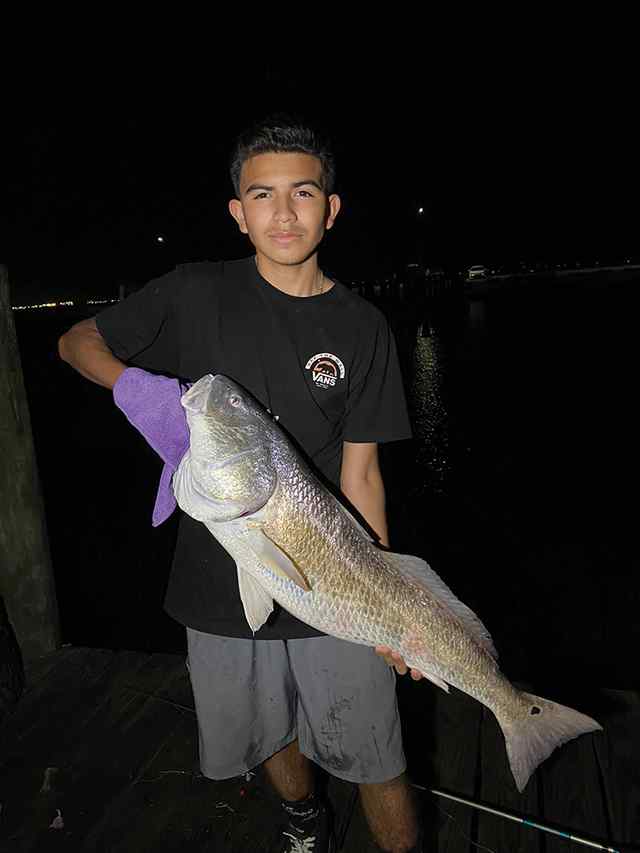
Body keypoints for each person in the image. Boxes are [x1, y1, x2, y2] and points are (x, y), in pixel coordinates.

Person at [59, 115, 425, 853]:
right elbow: (76, 341)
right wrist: (141, 392)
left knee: (375, 751)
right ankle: (302, 821)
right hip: (216, 577)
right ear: (238, 212)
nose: (283, 213)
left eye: (303, 193)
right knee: (266, 731)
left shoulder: (363, 326)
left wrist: (392, 600)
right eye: (262, 195)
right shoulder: (195, 292)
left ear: (332, 208)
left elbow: (363, 473)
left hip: (335, 580)